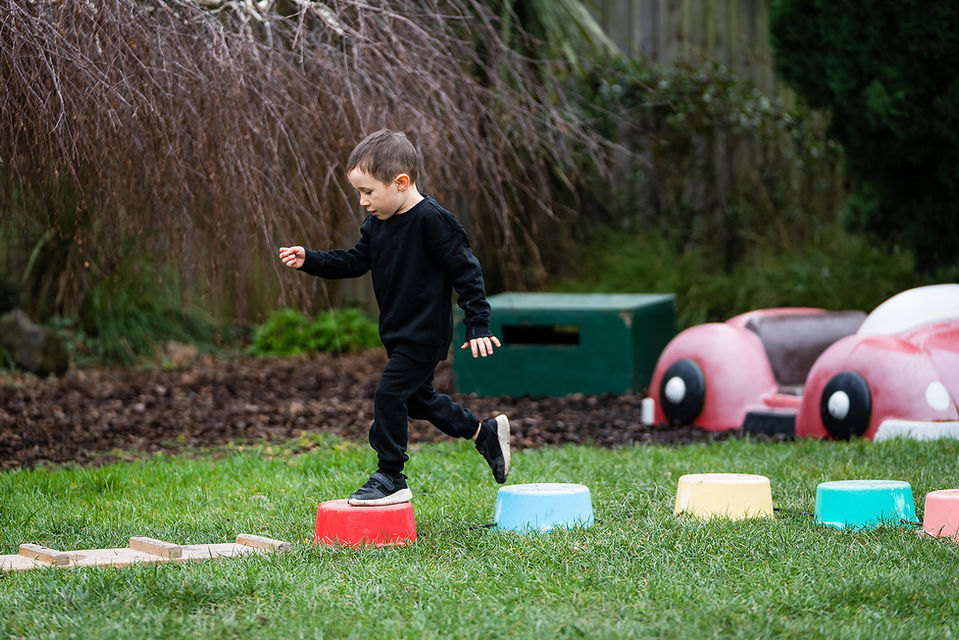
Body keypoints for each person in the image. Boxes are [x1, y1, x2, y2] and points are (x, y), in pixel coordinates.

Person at [278, 129, 510, 506]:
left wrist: (478, 322)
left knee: (389, 393)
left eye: (368, 192)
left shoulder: (434, 222)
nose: (362, 201)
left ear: (401, 183)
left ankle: (390, 475)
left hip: (425, 332)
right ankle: (482, 433)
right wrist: (312, 258)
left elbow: (467, 273)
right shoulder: (377, 224)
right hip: (397, 333)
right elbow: (355, 262)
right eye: (358, 192)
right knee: (416, 401)